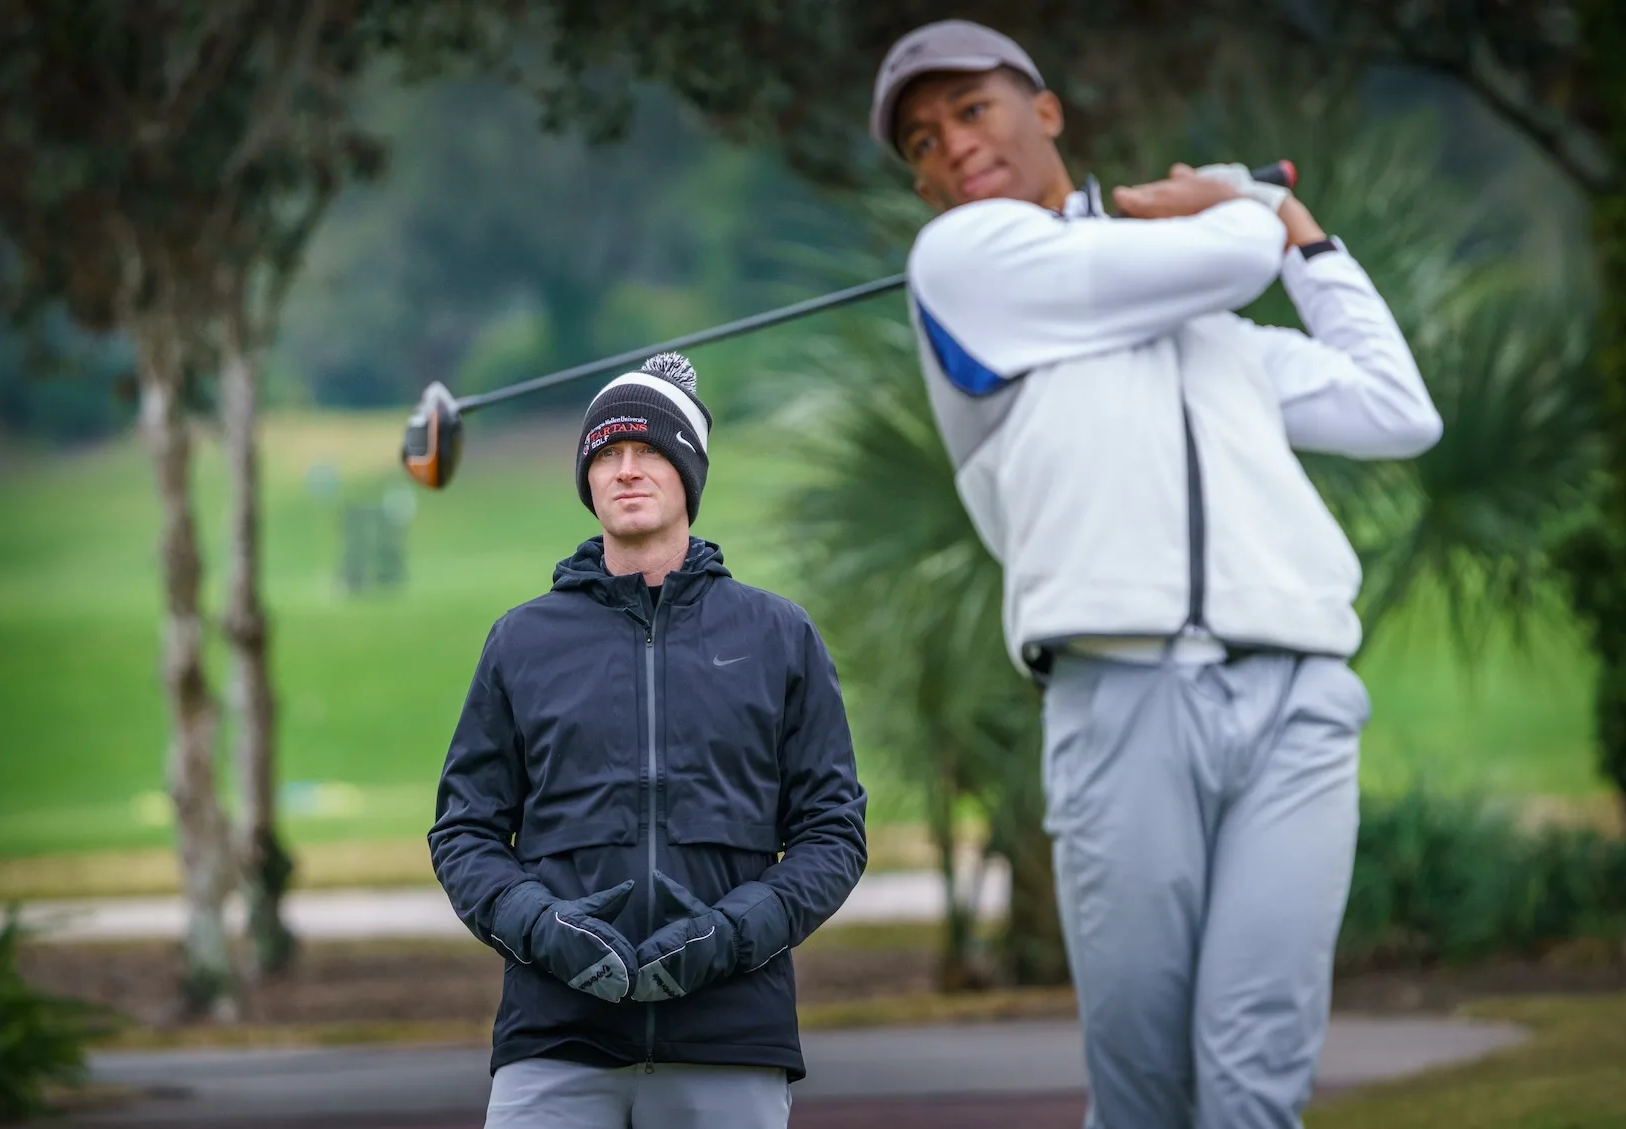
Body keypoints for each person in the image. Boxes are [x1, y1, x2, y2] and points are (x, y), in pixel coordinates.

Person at [869, 20, 1443, 1129]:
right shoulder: (962, 268)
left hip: (1298, 705)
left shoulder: (1220, 339)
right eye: (923, 144)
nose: (950, 146)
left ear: (1045, 111)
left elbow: (1396, 408)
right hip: (1124, 698)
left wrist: (1309, 240)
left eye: (971, 111)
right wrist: (1244, 205)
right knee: (1145, 1095)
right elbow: (1225, 253)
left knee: (1255, 1080)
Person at [429, 351, 867, 1129]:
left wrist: (732, 933)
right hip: (555, 1043)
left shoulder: (779, 635)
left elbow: (833, 834)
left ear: (689, 472)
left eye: (650, 450)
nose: (627, 470)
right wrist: (538, 925)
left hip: (731, 1040)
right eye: (607, 454)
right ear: (588, 481)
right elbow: (464, 830)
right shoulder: (521, 641)